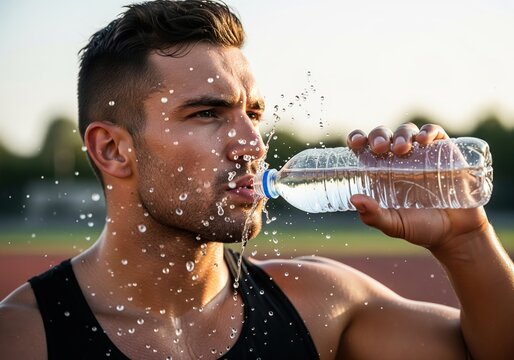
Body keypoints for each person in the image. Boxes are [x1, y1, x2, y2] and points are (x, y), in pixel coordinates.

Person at [1, 0, 513, 359]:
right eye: (207, 113)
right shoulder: (24, 337)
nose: (252, 142)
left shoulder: (319, 304)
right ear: (113, 150)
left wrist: (465, 239)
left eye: (253, 113)